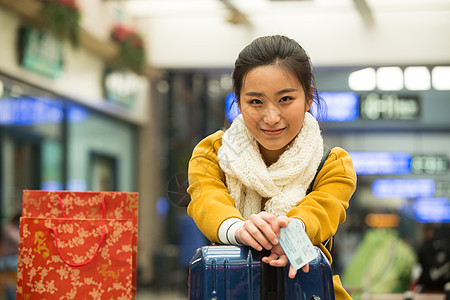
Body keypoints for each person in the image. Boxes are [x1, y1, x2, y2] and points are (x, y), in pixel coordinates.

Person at [187, 35, 357, 299]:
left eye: (285, 99)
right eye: (256, 101)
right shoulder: (213, 153)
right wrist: (240, 231)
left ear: (309, 98)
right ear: (239, 102)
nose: (271, 117)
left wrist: (288, 234)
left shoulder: (333, 164)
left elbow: (321, 211)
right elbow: (206, 202)